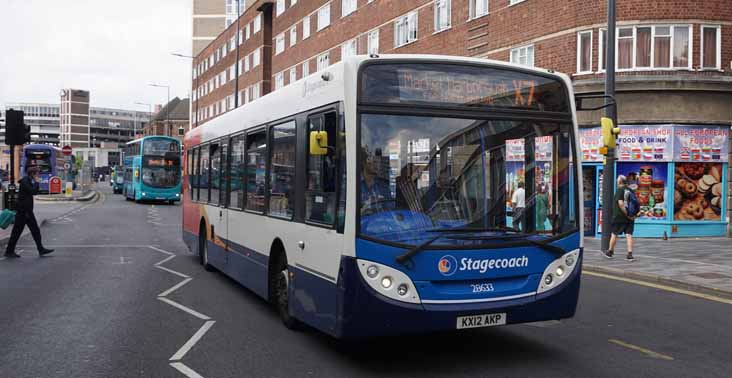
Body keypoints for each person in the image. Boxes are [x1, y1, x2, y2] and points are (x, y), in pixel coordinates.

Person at [3, 167, 54, 258]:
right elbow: (33, 192)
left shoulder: (28, 181)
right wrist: (37, 182)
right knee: (18, 232)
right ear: (33, 174)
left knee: (34, 231)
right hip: (23, 212)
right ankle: (9, 251)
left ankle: (40, 249)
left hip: (26, 211)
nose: (39, 175)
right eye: (38, 173)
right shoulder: (25, 181)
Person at [603, 175, 635, 261]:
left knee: (614, 234)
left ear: (620, 182)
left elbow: (620, 204)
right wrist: (631, 215)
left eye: (617, 181)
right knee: (629, 235)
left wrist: (626, 213)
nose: (617, 182)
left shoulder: (620, 190)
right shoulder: (630, 190)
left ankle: (610, 252)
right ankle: (630, 254)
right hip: (630, 217)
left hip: (619, 216)